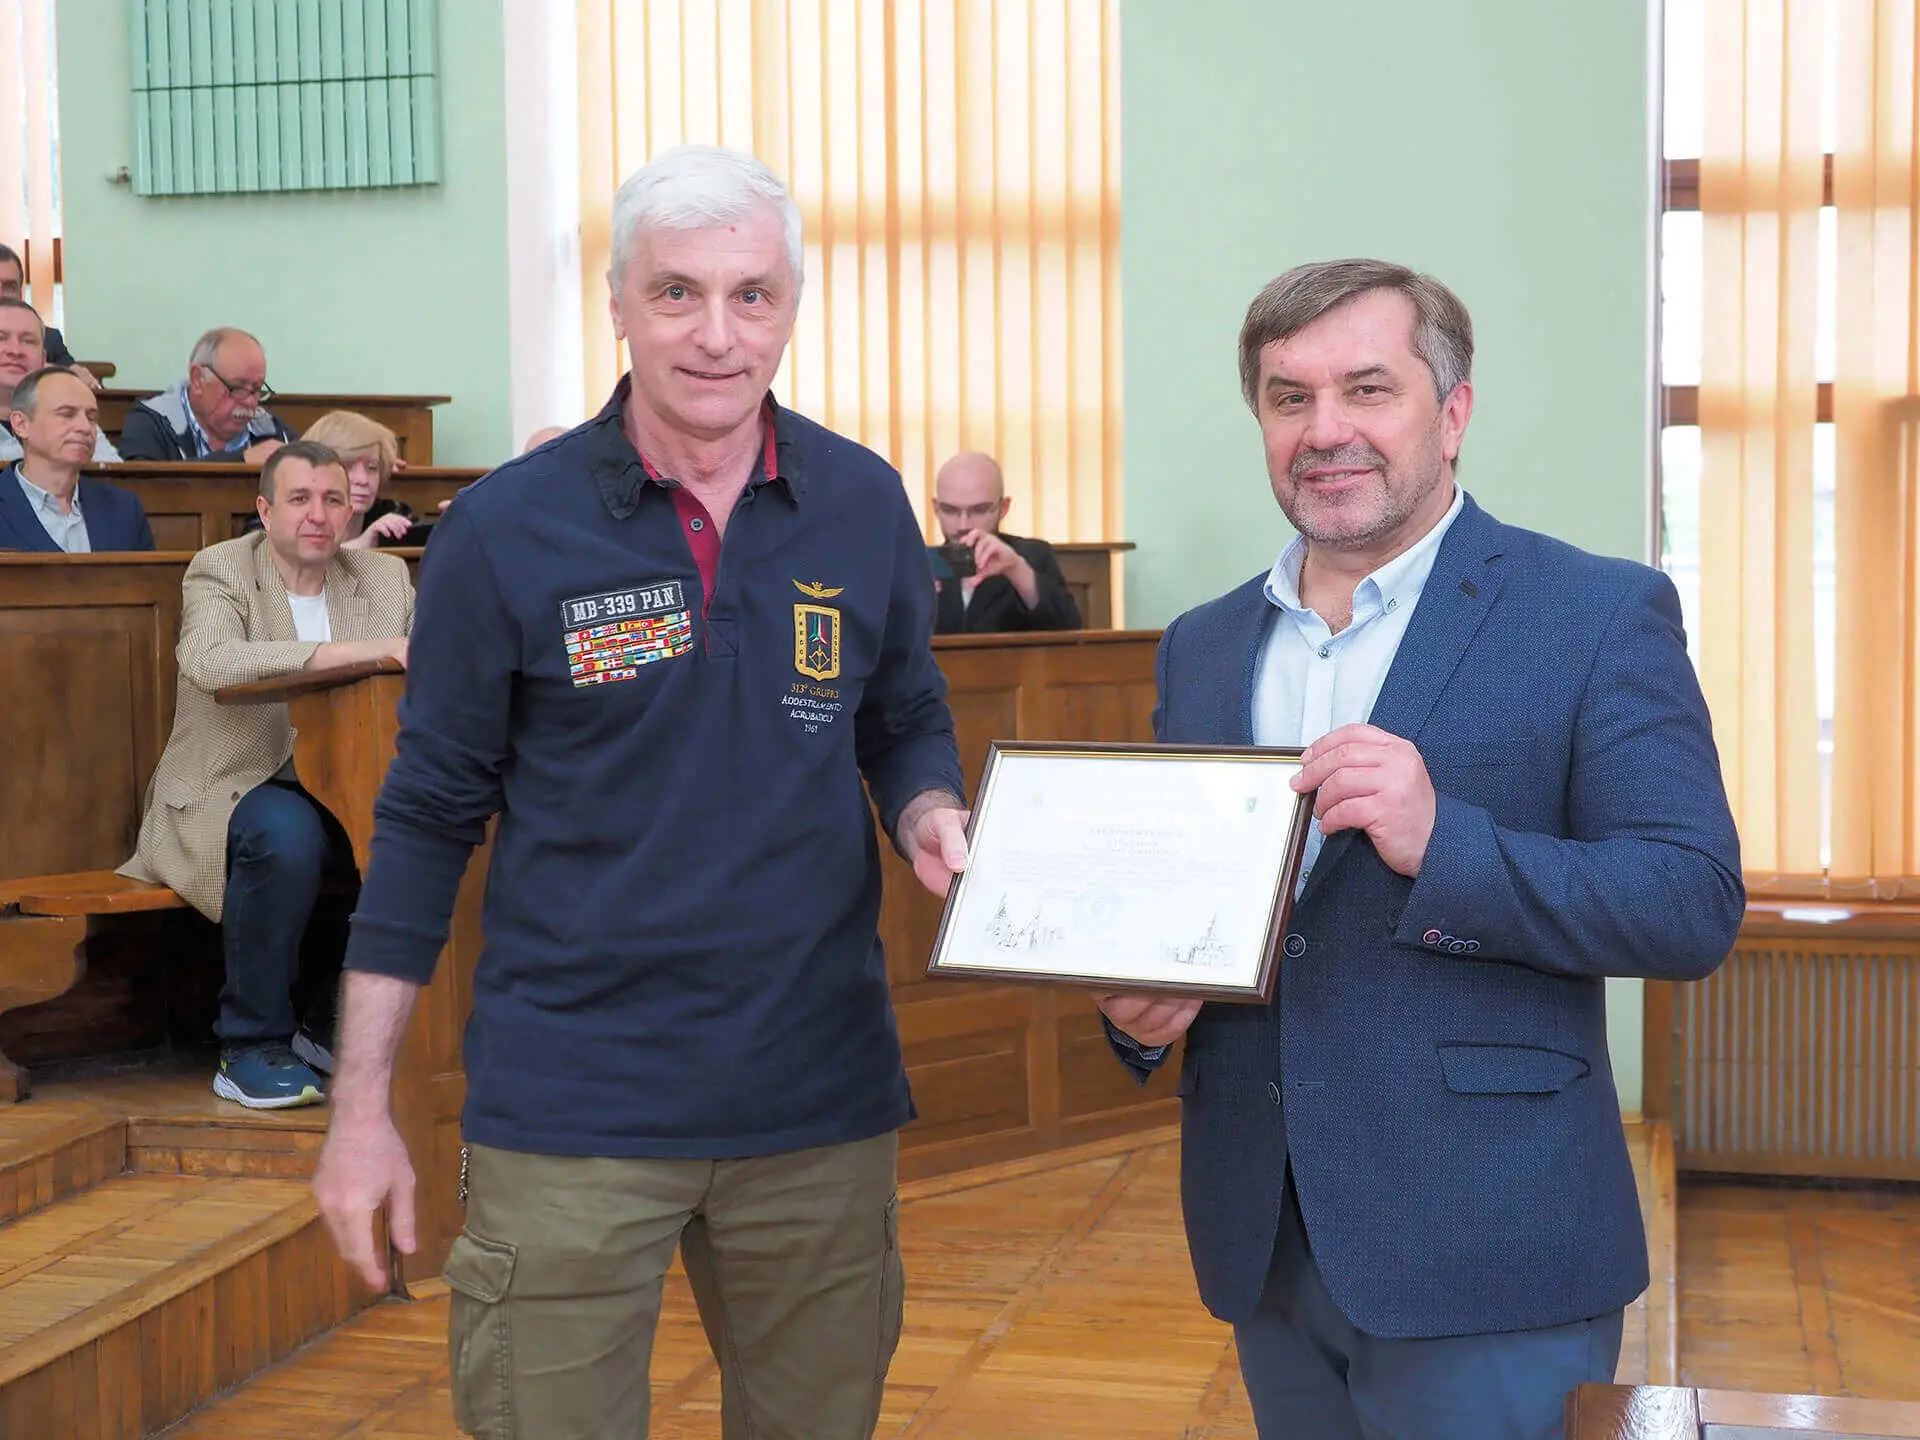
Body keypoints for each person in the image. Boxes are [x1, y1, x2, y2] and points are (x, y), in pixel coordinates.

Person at [312, 144, 968, 1439]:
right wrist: (360, 1105)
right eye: (677, 293)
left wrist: (926, 808)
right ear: (617, 303)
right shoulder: (504, 529)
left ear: (791, 306)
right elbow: (428, 816)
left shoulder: (862, 501)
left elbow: (901, 718)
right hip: (574, 1109)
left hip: (816, 1102)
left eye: (751, 294)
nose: (718, 334)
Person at [1096, 259, 1744, 1440]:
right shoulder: (1202, 644)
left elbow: (1688, 901)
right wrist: (1138, 1009)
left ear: (1452, 413)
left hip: (1489, 1247)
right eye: (1289, 398)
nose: (1324, 430)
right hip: (1264, 1237)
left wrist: (1447, 843)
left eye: (1367, 389)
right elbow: (1191, 906)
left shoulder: (1596, 613)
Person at [119, 441, 413, 1109]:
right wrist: (362, 651)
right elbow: (211, 660)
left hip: (353, 781)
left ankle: (329, 1022)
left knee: (430, 827)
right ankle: (250, 1045)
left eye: (333, 500)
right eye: (299, 498)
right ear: (264, 509)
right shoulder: (221, 568)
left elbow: (434, 653)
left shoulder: (384, 577)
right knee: (286, 836)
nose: (318, 514)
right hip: (236, 784)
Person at [0, 366, 151, 551]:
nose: (85, 427)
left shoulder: (124, 509)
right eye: (66, 414)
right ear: (21, 424)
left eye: (91, 417)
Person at [929, 450, 1081, 633]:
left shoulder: (1033, 557)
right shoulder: (922, 566)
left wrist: (1016, 569)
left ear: (1003, 508)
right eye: (950, 510)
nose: (964, 525)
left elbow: (1070, 632)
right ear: (936, 508)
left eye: (979, 510)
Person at [117, 327, 296, 463]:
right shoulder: (152, 421)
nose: (250, 402)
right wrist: (239, 461)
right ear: (197, 379)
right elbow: (144, 487)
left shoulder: (270, 428)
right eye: (237, 388)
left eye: (256, 389)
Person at [0, 299, 121, 462]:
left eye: (28, 341)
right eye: (1, 338)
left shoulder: (76, 413)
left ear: (43, 359)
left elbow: (111, 471)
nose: (15, 350)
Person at [302, 410, 422, 548]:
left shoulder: (392, 513)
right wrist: (361, 544)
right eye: (347, 466)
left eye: (372, 467)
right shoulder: (298, 520)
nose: (363, 480)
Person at [0, 243, 98, 386]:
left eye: (9, 287)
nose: (1, 294)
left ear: (20, 293)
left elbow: (79, 380)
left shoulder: (48, 339)